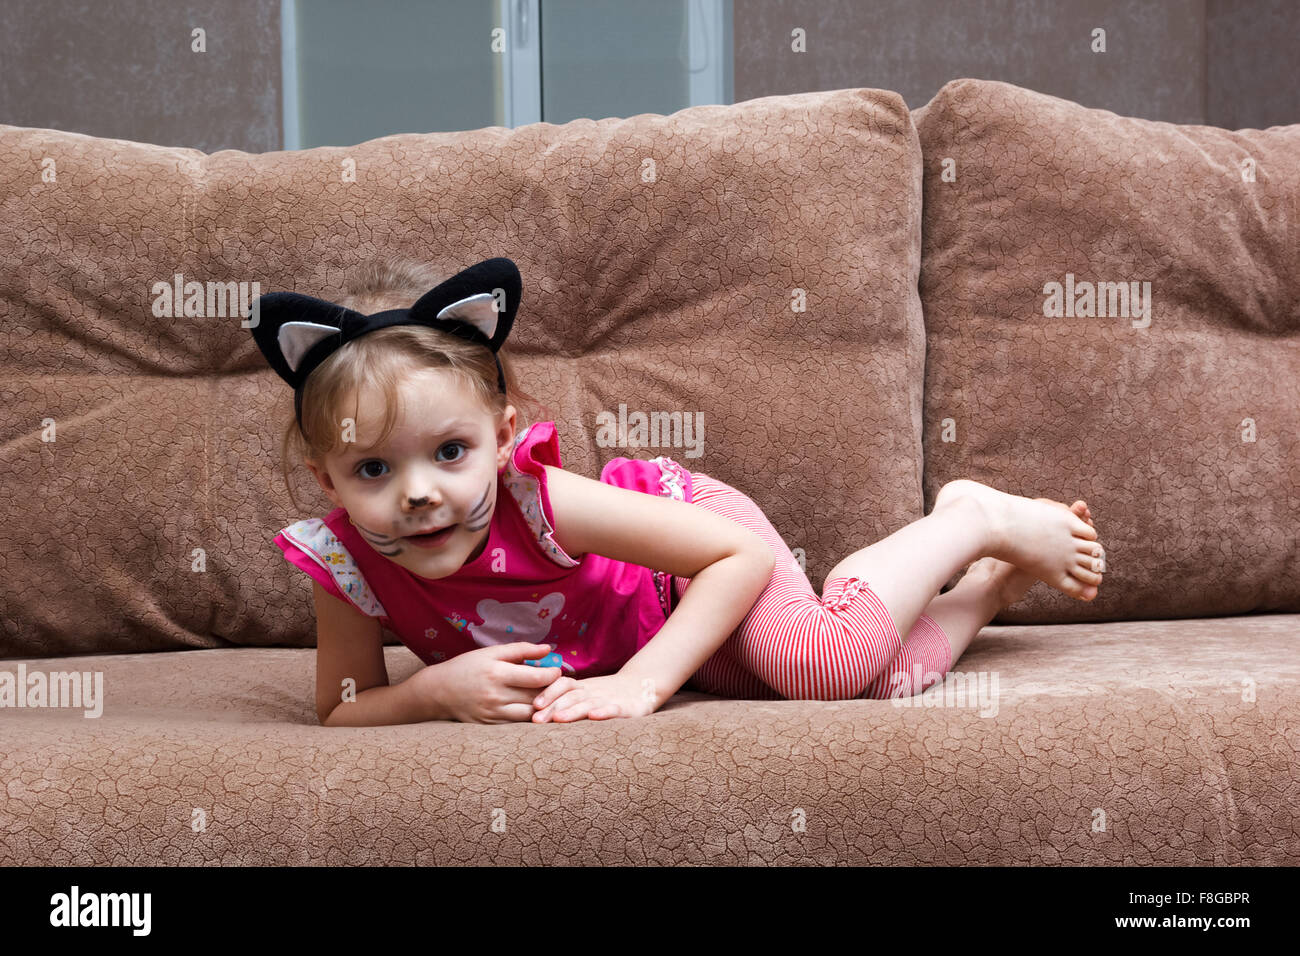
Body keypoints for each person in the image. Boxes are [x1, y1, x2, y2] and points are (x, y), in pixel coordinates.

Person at [249, 256, 1105, 727]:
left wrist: (645, 686)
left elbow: (733, 558)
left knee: (820, 660)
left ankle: (969, 517)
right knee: (875, 684)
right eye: (374, 470)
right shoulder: (346, 563)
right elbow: (343, 710)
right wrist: (431, 692)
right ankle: (990, 587)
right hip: (649, 632)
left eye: (448, 452)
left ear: (503, 439)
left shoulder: (539, 504)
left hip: (691, 553)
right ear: (326, 479)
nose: (418, 495)